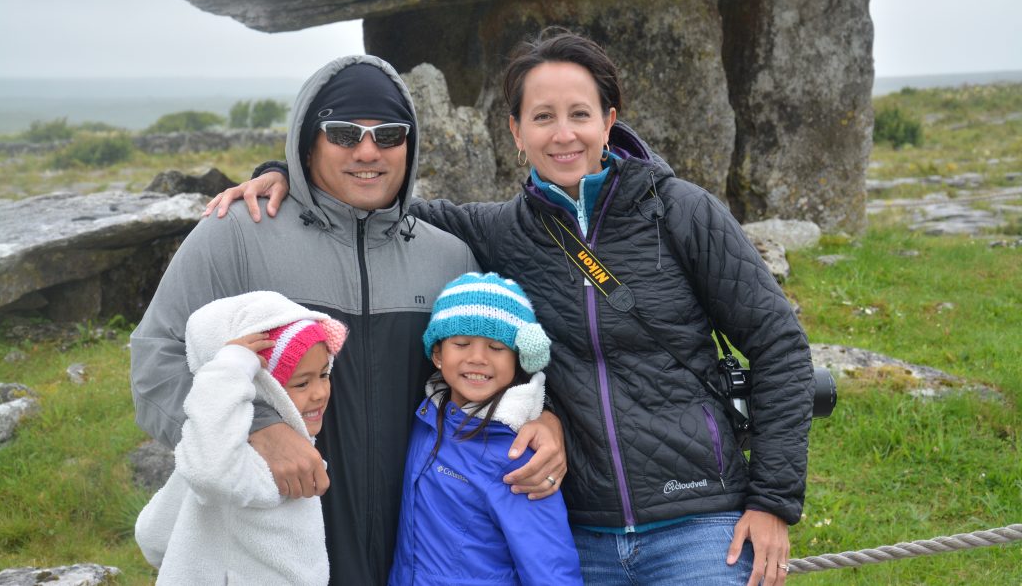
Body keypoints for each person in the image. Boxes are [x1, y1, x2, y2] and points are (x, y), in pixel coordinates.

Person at [209, 29, 814, 586]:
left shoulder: (681, 213)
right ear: (516, 131)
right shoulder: (500, 232)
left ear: (609, 121)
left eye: (580, 114)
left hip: (699, 520)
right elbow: (380, 202)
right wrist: (289, 174)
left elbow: (778, 346)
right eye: (542, 116)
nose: (563, 134)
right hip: (577, 527)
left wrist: (773, 503)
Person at [130, 55, 567, 586]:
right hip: (272, 552)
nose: (367, 151)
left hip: (417, 557)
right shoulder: (237, 236)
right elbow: (156, 358)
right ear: (307, 142)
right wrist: (255, 430)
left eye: (388, 134)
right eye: (342, 132)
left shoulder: (450, 259)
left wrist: (544, 419)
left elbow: (494, 373)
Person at [134, 291, 349, 584]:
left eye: (324, 374)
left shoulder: (224, 448)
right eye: (302, 382)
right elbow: (210, 472)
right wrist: (228, 370)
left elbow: (153, 533)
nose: (320, 393)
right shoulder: (255, 462)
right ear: (261, 387)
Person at [388, 272, 583, 585]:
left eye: (496, 347)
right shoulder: (427, 418)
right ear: (437, 354)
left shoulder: (519, 452)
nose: (477, 358)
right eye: (462, 343)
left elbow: (550, 564)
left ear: (518, 359)